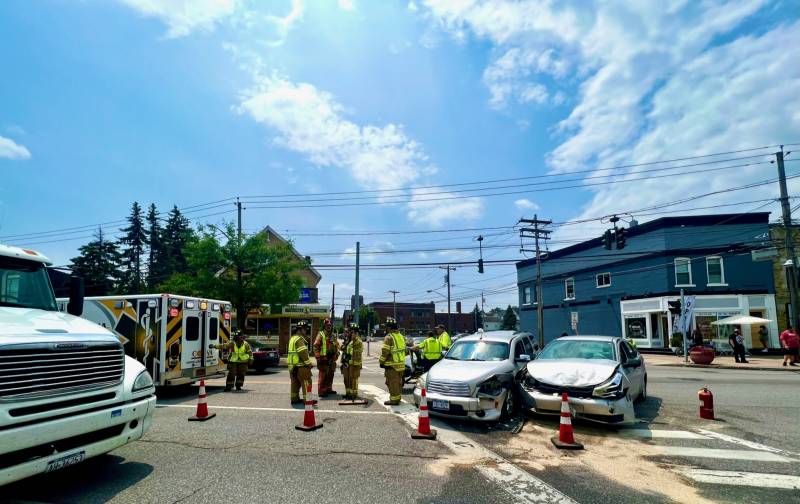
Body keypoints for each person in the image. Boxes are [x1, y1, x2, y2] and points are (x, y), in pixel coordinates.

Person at [379, 318, 406, 405]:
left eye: (386, 327)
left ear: (389, 327)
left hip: (392, 365)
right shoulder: (401, 336)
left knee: (392, 382)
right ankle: (397, 398)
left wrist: (381, 362)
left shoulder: (389, 337)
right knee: (398, 383)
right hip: (401, 364)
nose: (385, 329)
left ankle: (394, 400)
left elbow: (385, 352)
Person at [288, 321, 315, 404]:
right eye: (304, 329)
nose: (306, 330)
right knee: (307, 382)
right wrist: (309, 364)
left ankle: (294, 398)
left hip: (293, 366)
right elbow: (303, 353)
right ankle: (308, 400)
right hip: (301, 366)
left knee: (295, 383)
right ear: (299, 330)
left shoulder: (292, 338)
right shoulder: (299, 340)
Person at [313, 318, 340, 396]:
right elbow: (315, 346)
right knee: (323, 376)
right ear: (324, 326)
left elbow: (337, 346)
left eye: (330, 325)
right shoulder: (321, 334)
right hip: (323, 359)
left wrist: (337, 354)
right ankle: (321, 391)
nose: (329, 326)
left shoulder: (333, 336)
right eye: (327, 325)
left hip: (331, 359)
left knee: (330, 375)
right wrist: (318, 358)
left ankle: (328, 389)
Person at [341, 322, 364, 400]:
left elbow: (355, 353)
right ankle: (348, 393)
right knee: (346, 379)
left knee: (353, 379)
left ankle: (353, 394)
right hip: (346, 363)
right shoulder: (348, 340)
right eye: (346, 332)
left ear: (354, 332)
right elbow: (343, 348)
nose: (347, 333)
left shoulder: (358, 341)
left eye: (350, 332)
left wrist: (353, 339)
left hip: (353, 364)